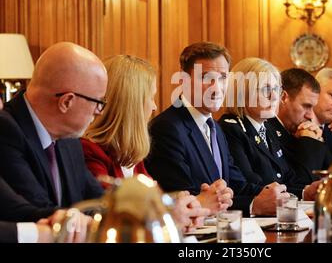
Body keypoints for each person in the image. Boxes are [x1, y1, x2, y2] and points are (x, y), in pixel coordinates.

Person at [146, 42, 296, 216]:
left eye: (223, 77)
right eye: (206, 78)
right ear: (182, 81)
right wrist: (253, 205)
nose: (216, 88)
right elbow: (184, 198)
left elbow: (235, 183)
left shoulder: (215, 127)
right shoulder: (167, 128)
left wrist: (275, 195)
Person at [81, 55, 209, 232]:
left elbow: (153, 203)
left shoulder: (131, 152)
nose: (155, 106)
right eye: (151, 97)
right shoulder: (90, 150)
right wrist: (170, 216)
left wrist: (185, 208)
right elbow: (112, 216)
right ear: (132, 104)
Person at [0, 42, 105, 208]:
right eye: (98, 101)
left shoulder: (69, 138)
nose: (99, 111)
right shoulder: (6, 131)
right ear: (66, 102)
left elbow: (99, 201)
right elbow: (40, 210)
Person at [218, 58, 318, 197]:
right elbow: (248, 184)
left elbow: (286, 177)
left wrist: (305, 191)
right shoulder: (231, 129)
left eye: (276, 89)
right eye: (266, 89)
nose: (274, 97)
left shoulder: (267, 127)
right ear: (242, 93)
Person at [0, 97, 90, 243]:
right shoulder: (9, 129)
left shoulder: (69, 140)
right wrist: (40, 233)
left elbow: (17, 209)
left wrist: (64, 218)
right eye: (98, 102)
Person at [267, 68, 332, 182]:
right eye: (306, 106)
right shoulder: (267, 129)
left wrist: (316, 140)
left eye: (312, 107)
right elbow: (302, 182)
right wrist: (308, 141)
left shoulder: (300, 130)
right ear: (283, 98)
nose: (311, 115)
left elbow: (331, 175)